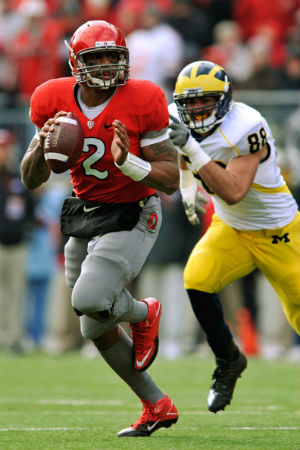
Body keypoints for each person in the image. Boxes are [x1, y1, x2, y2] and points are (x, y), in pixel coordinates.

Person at [20, 20, 179, 437]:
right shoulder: (50, 98)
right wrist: (43, 146)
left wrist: (131, 162)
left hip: (134, 210)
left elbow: (170, 179)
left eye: (114, 57)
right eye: (97, 57)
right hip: (86, 212)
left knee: (90, 298)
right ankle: (157, 404)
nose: (107, 65)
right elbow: (30, 179)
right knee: (93, 322)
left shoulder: (144, 97)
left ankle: (144, 312)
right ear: (76, 62)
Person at [168, 60, 300, 413]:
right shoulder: (178, 117)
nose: (196, 109)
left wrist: (192, 154)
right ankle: (228, 361)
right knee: (197, 279)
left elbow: (234, 190)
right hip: (231, 228)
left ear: (225, 99)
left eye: (205, 101)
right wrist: (186, 184)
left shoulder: (247, 125)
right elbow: (185, 149)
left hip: (279, 232)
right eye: (190, 103)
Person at [0, 128, 35, 352]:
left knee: (16, 294)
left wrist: (26, 227)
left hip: (17, 244)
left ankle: (13, 337)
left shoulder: (17, 177)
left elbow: (30, 206)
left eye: (6, 148)